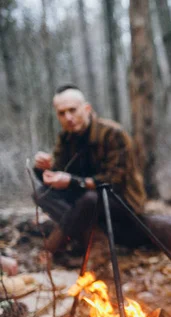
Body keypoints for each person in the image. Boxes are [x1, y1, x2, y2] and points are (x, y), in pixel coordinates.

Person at [32, 85, 147, 259]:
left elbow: (113, 182)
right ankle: (96, 239)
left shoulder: (112, 133)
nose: (68, 118)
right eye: (62, 113)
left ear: (86, 109)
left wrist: (72, 181)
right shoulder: (66, 137)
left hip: (122, 200)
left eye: (72, 110)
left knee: (90, 198)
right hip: (85, 200)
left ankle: (52, 247)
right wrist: (43, 169)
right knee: (41, 194)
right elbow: (59, 174)